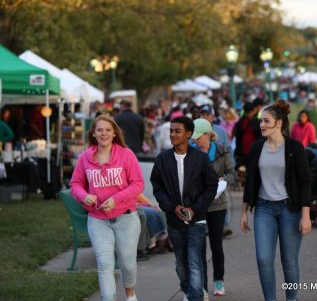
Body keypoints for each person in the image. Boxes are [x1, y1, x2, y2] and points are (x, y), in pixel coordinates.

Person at [240, 100, 311, 301]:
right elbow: (251, 182)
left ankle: (291, 299)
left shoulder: (295, 148)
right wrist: (244, 211)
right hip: (264, 209)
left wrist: (306, 215)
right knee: (263, 259)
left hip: (290, 209)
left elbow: (305, 182)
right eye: (261, 121)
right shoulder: (256, 148)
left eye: (265, 121)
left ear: (278, 123)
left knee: (289, 261)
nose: (261, 125)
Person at [70, 115, 144, 301]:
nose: (104, 133)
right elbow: (75, 184)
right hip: (97, 220)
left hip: (126, 218)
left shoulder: (126, 154)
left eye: (108, 130)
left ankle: (130, 294)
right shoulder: (85, 157)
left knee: (127, 264)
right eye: (100, 130)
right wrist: (84, 196)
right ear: (93, 133)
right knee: (104, 264)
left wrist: (116, 199)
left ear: (114, 133)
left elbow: (138, 184)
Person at [150, 116, 218, 301]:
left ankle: (195, 295)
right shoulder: (163, 159)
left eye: (177, 131)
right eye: (171, 131)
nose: (172, 134)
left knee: (194, 260)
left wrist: (195, 208)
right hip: (174, 220)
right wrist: (172, 207)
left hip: (197, 219)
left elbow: (211, 186)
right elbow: (157, 187)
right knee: (181, 263)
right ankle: (189, 291)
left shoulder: (201, 159)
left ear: (188, 134)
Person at [191, 118, 235, 297]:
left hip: (218, 204)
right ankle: (201, 285)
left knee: (216, 245)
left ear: (208, 134)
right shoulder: (191, 153)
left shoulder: (222, 151)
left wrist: (225, 180)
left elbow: (232, 173)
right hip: (198, 205)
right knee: (199, 247)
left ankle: (219, 281)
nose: (194, 140)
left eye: (198, 137)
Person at [233, 102, 261, 169]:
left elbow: (237, 139)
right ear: (253, 110)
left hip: (242, 154)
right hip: (254, 154)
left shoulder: (240, 122)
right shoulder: (257, 122)